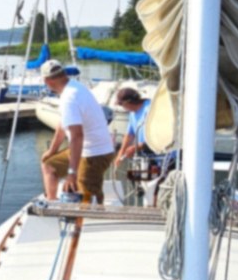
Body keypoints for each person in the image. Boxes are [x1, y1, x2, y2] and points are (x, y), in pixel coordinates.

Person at [37, 60, 117, 203]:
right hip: (86, 149)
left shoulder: (69, 98)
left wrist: (72, 173)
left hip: (95, 153)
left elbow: (77, 136)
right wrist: (52, 151)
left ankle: (91, 214)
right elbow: (62, 124)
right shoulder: (73, 87)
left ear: (47, 81)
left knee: (87, 197)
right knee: (49, 165)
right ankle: (52, 203)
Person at [113, 86, 152, 167]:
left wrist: (136, 147)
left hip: (157, 154)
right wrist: (120, 153)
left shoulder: (149, 108)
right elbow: (129, 135)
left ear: (127, 103)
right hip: (144, 154)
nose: (123, 108)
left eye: (121, 105)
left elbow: (158, 136)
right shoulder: (132, 113)